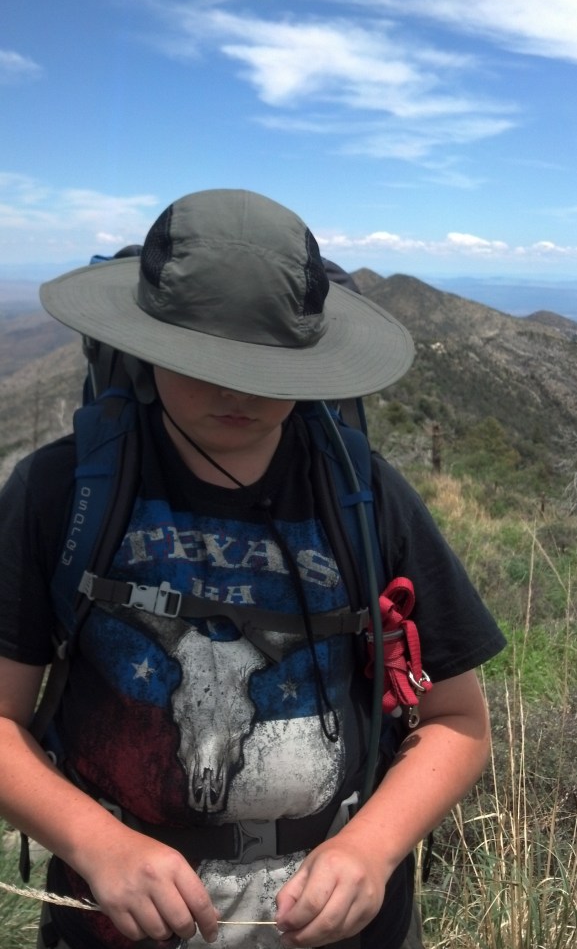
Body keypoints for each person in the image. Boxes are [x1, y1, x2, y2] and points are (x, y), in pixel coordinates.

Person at [0, 189, 505, 949]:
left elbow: (459, 724)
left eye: (266, 366)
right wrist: (95, 843)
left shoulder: (362, 493)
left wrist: (370, 847)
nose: (235, 388)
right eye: (200, 360)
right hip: (110, 925)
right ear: (145, 345)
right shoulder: (62, 491)